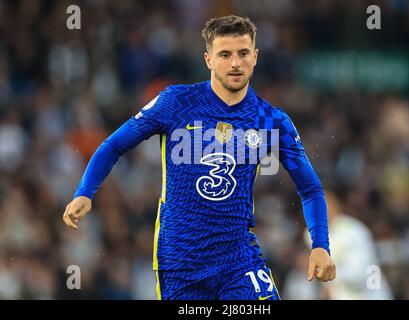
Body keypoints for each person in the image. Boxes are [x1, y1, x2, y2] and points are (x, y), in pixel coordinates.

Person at [63, 15, 335, 300]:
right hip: (180, 262)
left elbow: (311, 188)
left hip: (238, 259)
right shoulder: (176, 102)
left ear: (255, 57)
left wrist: (320, 245)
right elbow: (113, 145)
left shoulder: (271, 120)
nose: (235, 63)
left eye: (243, 54)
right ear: (208, 59)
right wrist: (85, 192)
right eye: (225, 54)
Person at [303, 191, 392, 299]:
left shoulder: (354, 230)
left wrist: (326, 274)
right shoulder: (310, 235)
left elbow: (361, 273)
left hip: (371, 295)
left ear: (335, 205)